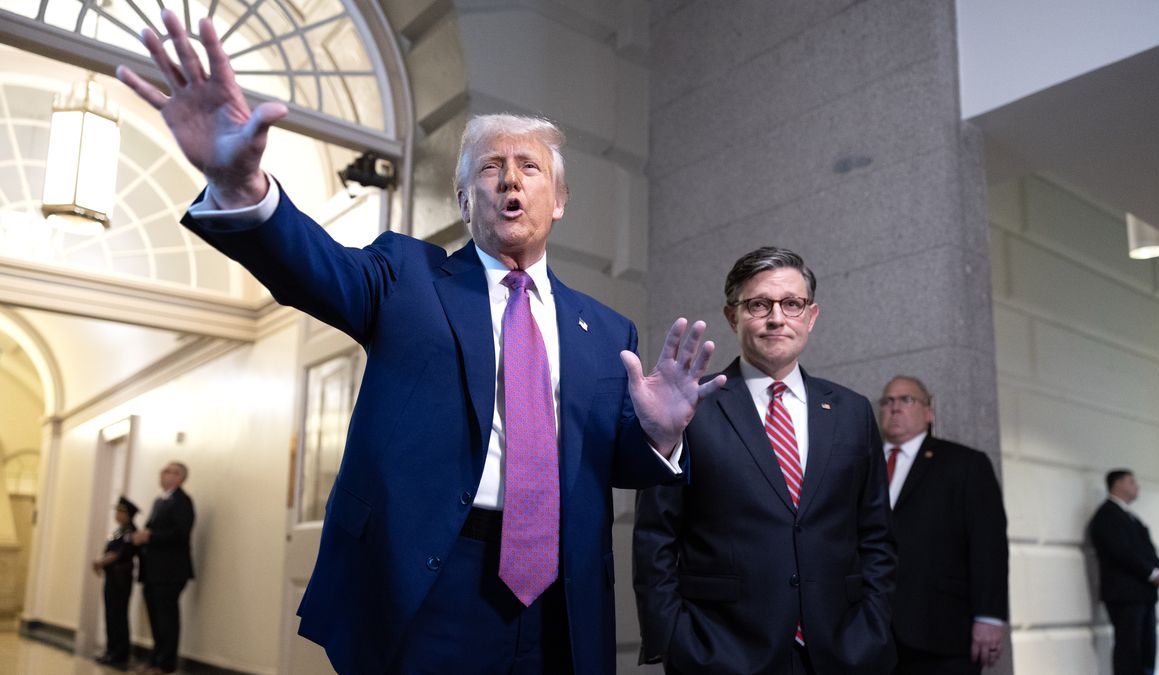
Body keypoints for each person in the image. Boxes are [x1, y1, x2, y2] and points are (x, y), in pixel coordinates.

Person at [116, 10, 724, 674]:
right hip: (431, 581)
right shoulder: (404, 275)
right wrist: (240, 185)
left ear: (561, 200)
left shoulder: (607, 330)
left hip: (561, 595)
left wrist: (659, 435)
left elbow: (606, 462)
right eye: (492, 169)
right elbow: (312, 265)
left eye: (530, 168)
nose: (512, 180)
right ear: (464, 199)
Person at [633, 246, 897, 675]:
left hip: (843, 651)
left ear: (810, 316)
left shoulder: (852, 411)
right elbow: (655, 536)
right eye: (759, 304)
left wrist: (874, 624)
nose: (777, 318)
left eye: (792, 304)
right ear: (732, 315)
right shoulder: (692, 407)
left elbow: (876, 535)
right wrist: (675, 639)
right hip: (721, 652)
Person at [879, 375, 1009, 675]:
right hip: (875, 634)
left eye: (906, 399)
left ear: (929, 411)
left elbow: (988, 543)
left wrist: (989, 616)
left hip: (943, 630)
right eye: (887, 401)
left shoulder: (965, 464)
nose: (895, 407)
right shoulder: (864, 465)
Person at [1088, 469, 1159, 675]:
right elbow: (1121, 551)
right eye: (1132, 482)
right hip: (1125, 595)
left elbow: (1146, 550)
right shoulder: (1107, 515)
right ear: (1118, 484)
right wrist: (1151, 573)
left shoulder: (1130, 517)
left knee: (1146, 649)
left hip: (1143, 594)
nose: (1137, 486)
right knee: (1129, 649)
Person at [131, 461, 195, 675]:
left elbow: (180, 534)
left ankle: (166, 664)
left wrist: (150, 536)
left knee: (167, 617)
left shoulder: (182, 501)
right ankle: (155, 659)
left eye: (172, 472)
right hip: (153, 570)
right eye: (164, 471)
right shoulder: (160, 501)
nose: (165, 475)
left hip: (171, 571)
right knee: (155, 618)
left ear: (180, 478)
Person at [93, 496, 140, 669]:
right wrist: (100, 561)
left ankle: (120, 654)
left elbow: (119, 554)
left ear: (129, 515)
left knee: (118, 614)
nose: (117, 514)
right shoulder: (119, 531)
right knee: (111, 614)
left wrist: (101, 562)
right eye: (117, 511)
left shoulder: (130, 532)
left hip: (121, 578)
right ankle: (111, 650)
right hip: (112, 576)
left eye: (121, 511)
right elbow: (110, 550)